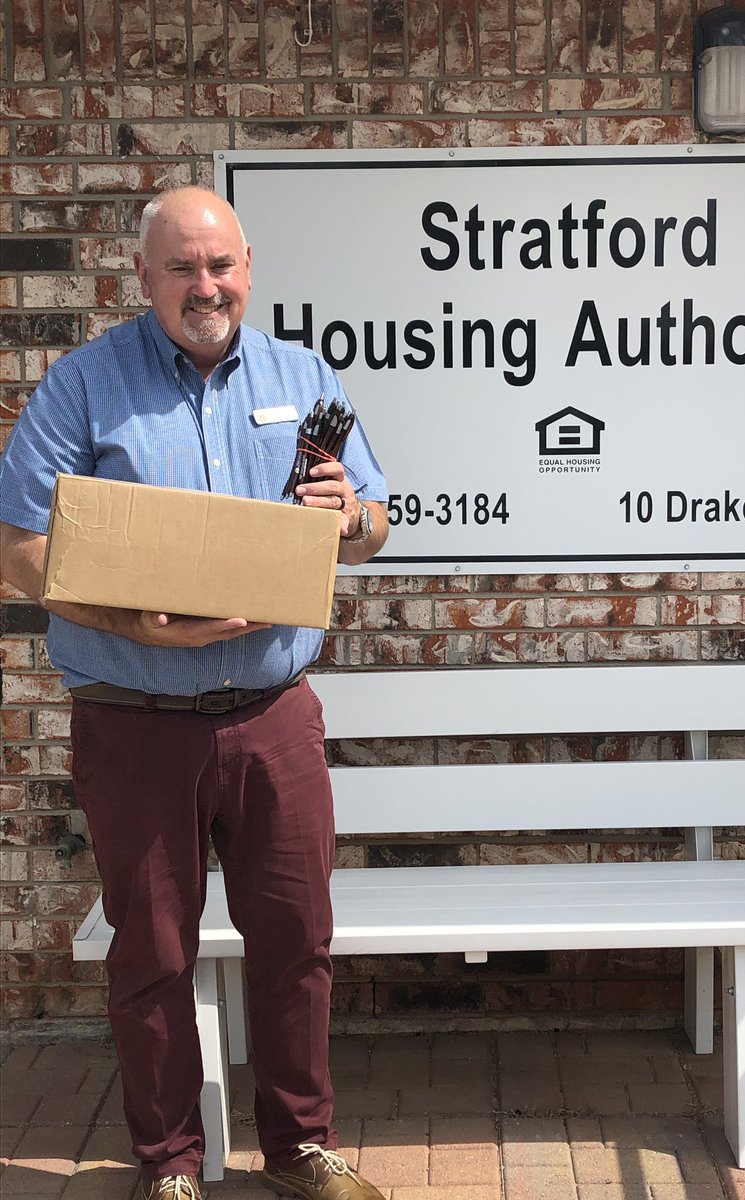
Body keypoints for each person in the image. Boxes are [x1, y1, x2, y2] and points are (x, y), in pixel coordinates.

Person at [0, 186, 389, 1200]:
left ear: (249, 269)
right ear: (144, 278)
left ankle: (302, 1147)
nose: (204, 285)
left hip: (273, 719)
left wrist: (349, 515)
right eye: (182, 267)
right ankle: (169, 1162)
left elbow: (379, 521)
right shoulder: (86, 387)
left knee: (297, 941)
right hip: (135, 724)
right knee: (153, 956)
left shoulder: (305, 379)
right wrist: (128, 620)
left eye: (220, 266)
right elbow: (17, 547)